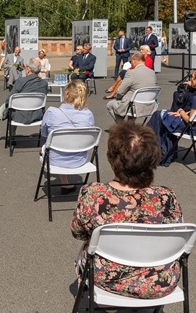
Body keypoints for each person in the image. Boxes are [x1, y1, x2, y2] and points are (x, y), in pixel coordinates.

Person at [71, 122, 183, 300]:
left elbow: (78, 233)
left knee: (88, 246)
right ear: (153, 159)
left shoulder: (93, 194)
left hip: (107, 278)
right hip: (159, 282)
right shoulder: (166, 197)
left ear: (112, 158)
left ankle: (109, 305)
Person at [146, 68, 196, 166]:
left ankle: (151, 149)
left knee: (158, 116)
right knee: (163, 116)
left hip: (191, 128)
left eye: (193, 77)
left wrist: (181, 111)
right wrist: (182, 113)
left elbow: (189, 120)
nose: (191, 79)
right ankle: (161, 152)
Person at [40, 80, 94, 193]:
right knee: (68, 143)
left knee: (53, 144)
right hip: (79, 159)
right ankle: (65, 184)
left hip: (55, 160)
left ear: (67, 94)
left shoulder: (51, 112)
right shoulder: (88, 114)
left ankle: (64, 182)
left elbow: (44, 134)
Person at [0, 58, 48, 127]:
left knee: (11, 104)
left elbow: (9, 100)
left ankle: (10, 135)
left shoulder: (21, 81)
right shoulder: (44, 84)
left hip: (19, 115)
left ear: (28, 69)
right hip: (37, 115)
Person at [106, 52, 156, 121]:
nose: (130, 63)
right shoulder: (152, 72)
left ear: (135, 60)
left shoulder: (131, 73)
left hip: (133, 105)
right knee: (131, 103)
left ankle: (122, 127)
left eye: (131, 61)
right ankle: (130, 125)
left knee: (110, 104)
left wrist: (119, 98)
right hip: (149, 104)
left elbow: (120, 91)